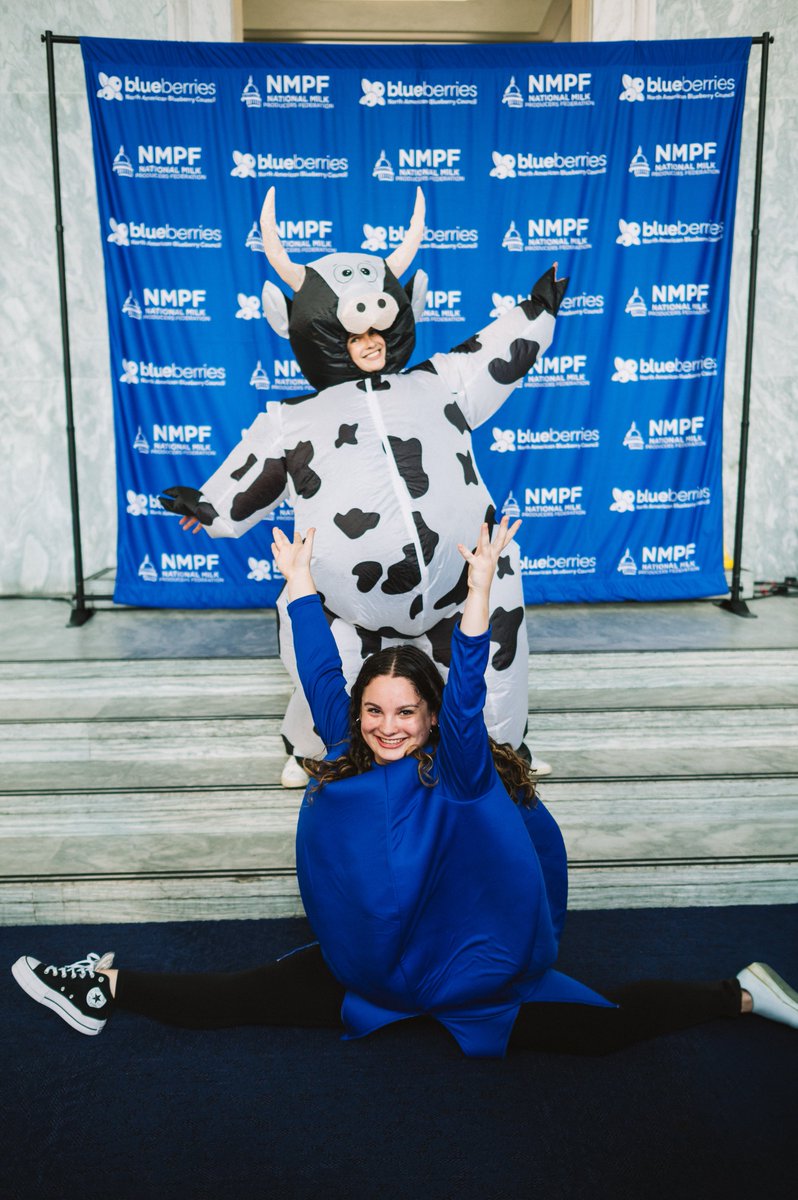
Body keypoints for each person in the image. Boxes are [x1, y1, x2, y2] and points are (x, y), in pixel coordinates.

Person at [11, 520, 798, 1055]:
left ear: (429, 720)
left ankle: (737, 994)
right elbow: (322, 668)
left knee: (607, 1029)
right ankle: (99, 985)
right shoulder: (352, 744)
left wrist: (479, 593)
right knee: (237, 997)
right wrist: (295, 585)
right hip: (374, 966)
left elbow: (465, 701)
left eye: (406, 713)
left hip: (468, 972)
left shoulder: (457, 771)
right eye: (376, 711)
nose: (388, 726)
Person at [163, 186, 557, 790]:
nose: (368, 343)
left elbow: (495, 351)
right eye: (352, 336)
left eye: (377, 331)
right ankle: (314, 748)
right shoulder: (293, 419)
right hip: (352, 604)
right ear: (319, 335)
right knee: (321, 652)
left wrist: (537, 313)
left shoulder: (439, 381)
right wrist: (210, 508)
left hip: (461, 585)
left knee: (499, 640)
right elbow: (247, 476)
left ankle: (503, 753)